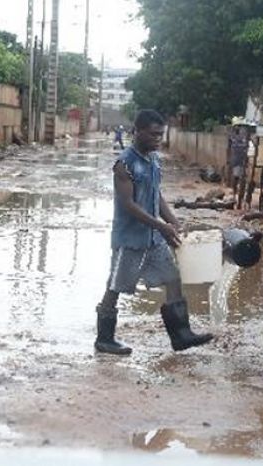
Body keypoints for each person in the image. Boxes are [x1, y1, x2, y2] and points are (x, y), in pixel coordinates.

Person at [94, 109, 213, 355]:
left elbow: (156, 196)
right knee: (116, 287)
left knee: (172, 278)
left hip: (153, 239)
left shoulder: (154, 160)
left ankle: (181, 335)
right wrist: (161, 225)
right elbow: (128, 205)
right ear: (137, 131)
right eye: (153, 134)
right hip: (129, 240)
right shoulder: (124, 164)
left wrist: (173, 222)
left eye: (161, 134)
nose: (158, 139)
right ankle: (104, 338)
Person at [228, 126, 249, 192]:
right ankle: (235, 190)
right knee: (237, 176)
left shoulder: (235, 139)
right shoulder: (237, 140)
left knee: (240, 176)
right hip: (238, 160)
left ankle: (238, 190)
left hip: (241, 160)